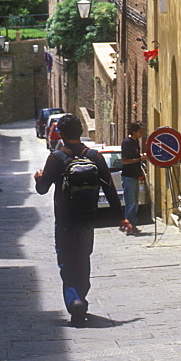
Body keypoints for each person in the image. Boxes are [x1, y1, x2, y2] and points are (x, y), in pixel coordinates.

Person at [34, 113, 131, 324]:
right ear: (81, 132)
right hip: (88, 221)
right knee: (83, 261)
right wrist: (121, 218)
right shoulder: (95, 156)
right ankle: (81, 297)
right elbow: (110, 189)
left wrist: (39, 178)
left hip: (65, 222)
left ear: (60, 132)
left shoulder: (56, 158)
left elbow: (42, 190)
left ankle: (75, 301)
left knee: (66, 264)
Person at [120, 122, 145, 235]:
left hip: (135, 176)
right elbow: (125, 161)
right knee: (130, 203)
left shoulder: (136, 142)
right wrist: (140, 159)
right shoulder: (127, 143)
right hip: (128, 176)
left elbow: (136, 157)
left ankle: (133, 224)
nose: (141, 134)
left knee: (135, 202)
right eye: (140, 131)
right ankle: (128, 226)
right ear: (134, 132)